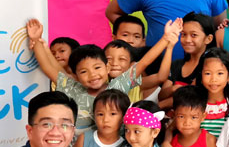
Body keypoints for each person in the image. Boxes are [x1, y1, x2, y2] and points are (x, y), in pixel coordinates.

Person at [27, 18, 180, 132]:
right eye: (84, 71)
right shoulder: (71, 88)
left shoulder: (117, 87)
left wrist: (166, 38)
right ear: (76, 75)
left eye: (97, 67)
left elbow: (144, 62)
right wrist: (36, 40)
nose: (92, 75)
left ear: (107, 67)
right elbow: (47, 67)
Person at [159, 12, 217, 109]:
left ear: (208, 39)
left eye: (194, 35)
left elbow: (190, 98)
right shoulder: (177, 64)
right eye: (183, 34)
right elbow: (161, 96)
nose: (187, 40)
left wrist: (157, 107)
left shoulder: (209, 67)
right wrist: (174, 88)